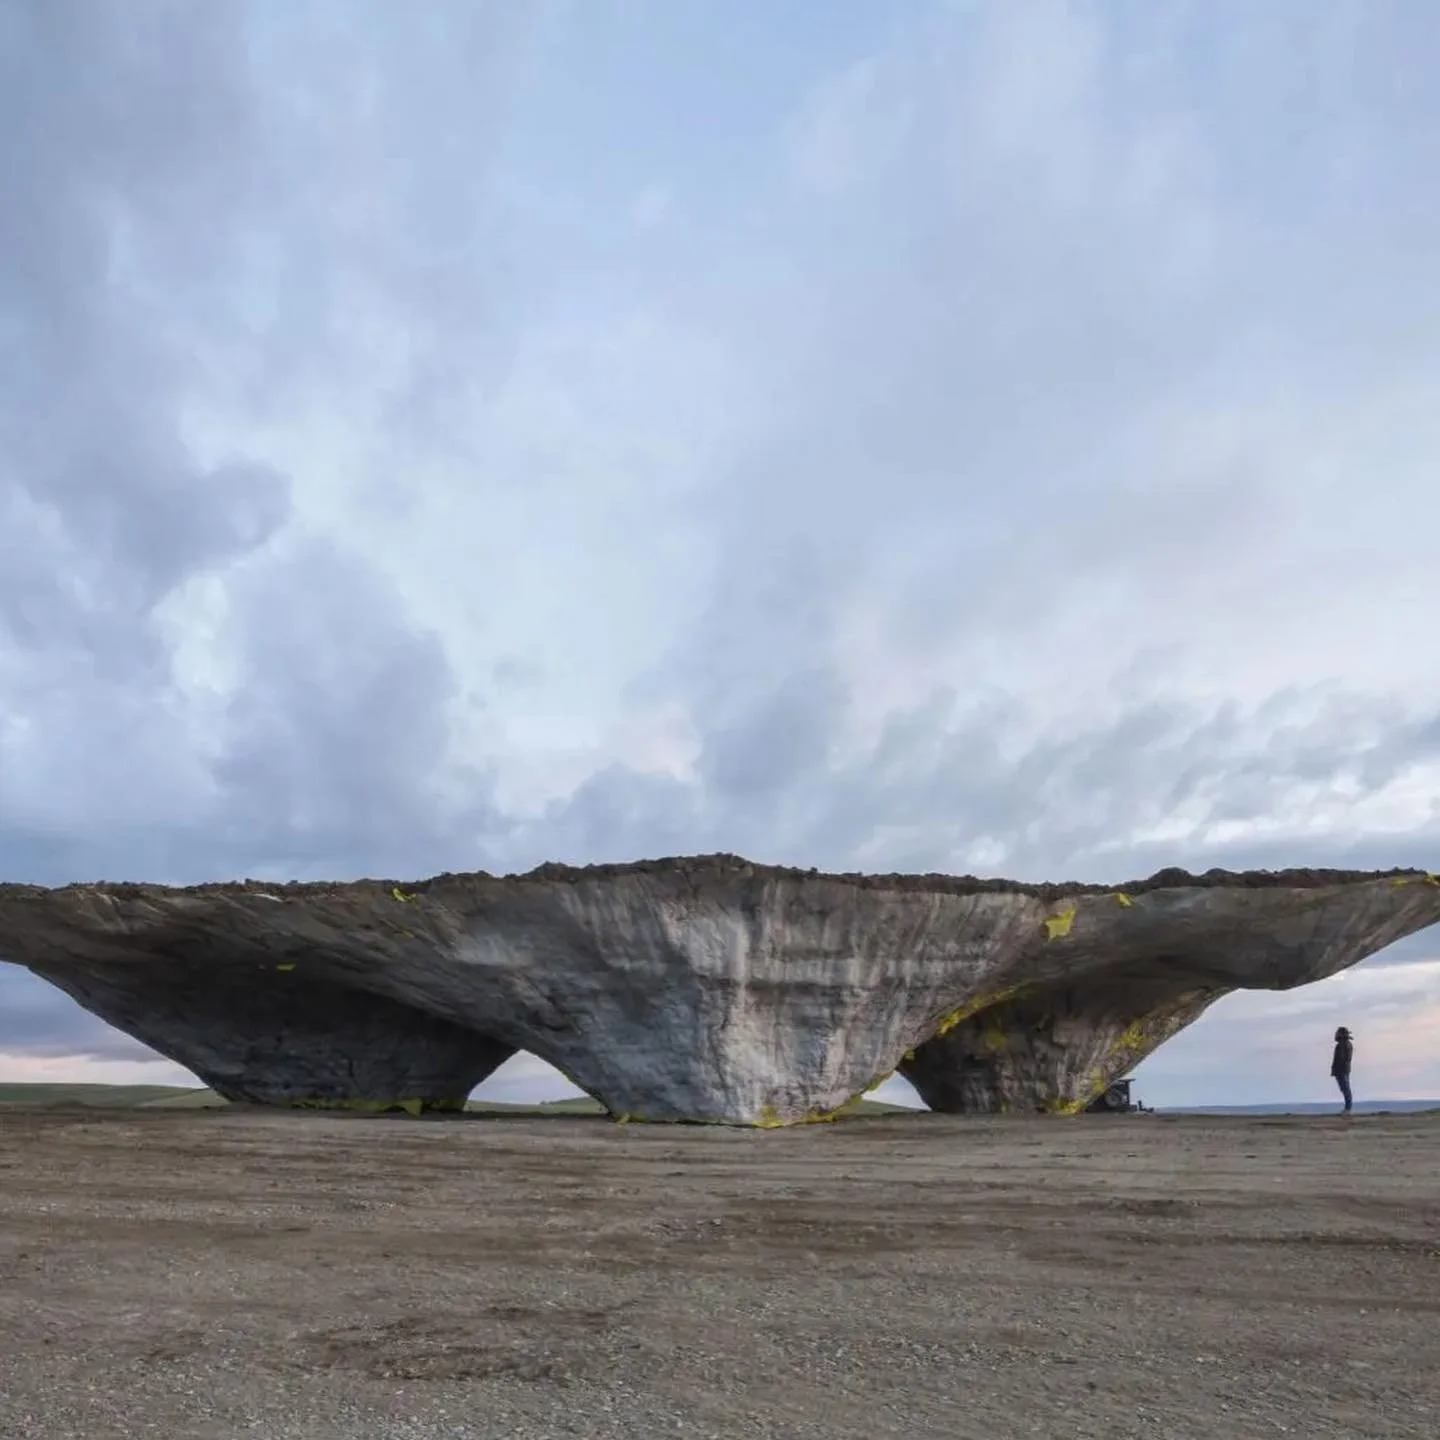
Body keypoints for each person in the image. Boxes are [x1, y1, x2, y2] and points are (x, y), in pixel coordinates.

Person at [1330, 1026, 1354, 1114]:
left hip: (1342, 1070)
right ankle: (1348, 1108)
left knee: (1345, 1089)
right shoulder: (1344, 1044)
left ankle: (1348, 1108)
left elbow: (1343, 1058)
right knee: (1345, 1089)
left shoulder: (1344, 1045)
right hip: (1343, 1069)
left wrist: (1337, 1068)